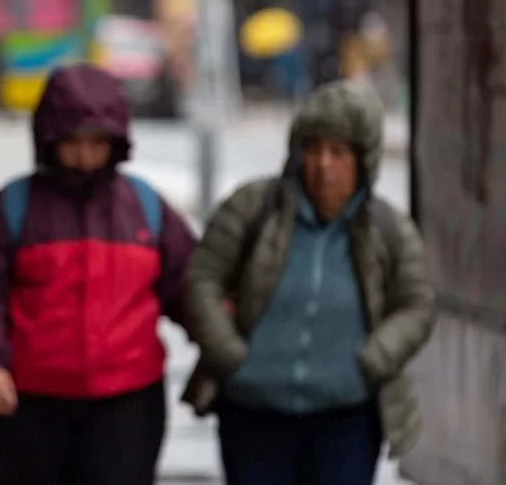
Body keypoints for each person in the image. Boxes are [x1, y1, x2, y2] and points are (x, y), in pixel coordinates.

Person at [181, 80, 437, 485]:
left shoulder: (387, 228)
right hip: (254, 416)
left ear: (363, 160)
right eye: (312, 148)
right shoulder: (252, 208)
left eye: (338, 152)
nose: (323, 164)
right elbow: (201, 278)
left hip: (346, 421)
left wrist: (374, 359)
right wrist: (231, 356)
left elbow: (418, 303)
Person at [0, 64, 198, 485]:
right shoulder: (12, 209)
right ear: (50, 139)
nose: (85, 156)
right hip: (29, 406)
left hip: (126, 405)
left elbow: (192, 289)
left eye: (96, 143)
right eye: (73, 142)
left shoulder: (147, 209)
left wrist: (225, 345)